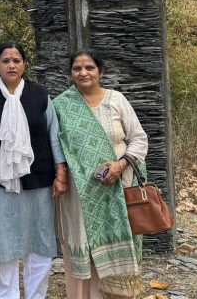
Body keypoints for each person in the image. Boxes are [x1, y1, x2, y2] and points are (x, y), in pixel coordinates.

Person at [0, 42, 68, 299]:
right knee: (3, 244)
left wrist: (60, 173)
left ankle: (36, 295)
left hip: (39, 181)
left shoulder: (40, 95)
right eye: (5, 60)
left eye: (16, 60)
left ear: (24, 64)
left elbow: (54, 136)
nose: (11, 65)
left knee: (40, 243)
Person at [53, 49, 148, 298]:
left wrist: (121, 164)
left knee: (117, 239)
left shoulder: (116, 100)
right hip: (80, 191)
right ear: (71, 74)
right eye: (77, 68)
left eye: (89, 67)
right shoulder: (61, 105)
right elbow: (53, 146)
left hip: (120, 185)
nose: (83, 72)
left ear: (100, 72)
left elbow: (138, 139)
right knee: (84, 241)